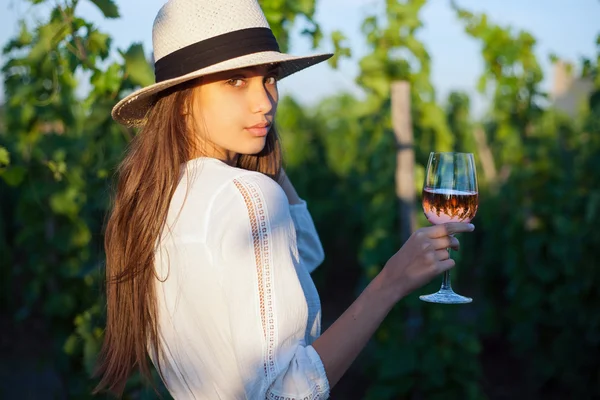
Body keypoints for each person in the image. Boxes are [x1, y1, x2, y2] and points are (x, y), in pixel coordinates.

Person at [93, 0, 475, 398]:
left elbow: (301, 255)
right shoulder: (244, 194)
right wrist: (392, 281)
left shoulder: (161, 198)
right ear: (182, 98)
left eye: (269, 77)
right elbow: (286, 393)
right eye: (236, 80)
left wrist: (261, 147)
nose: (265, 102)